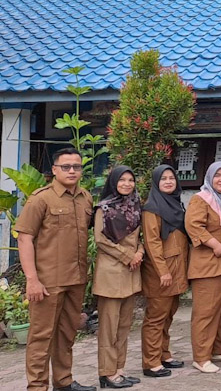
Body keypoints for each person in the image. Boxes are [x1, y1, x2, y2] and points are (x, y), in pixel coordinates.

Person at [14, 147, 97, 391]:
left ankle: (64, 382)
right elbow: (24, 238)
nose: (72, 171)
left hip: (76, 279)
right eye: (66, 167)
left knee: (67, 334)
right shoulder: (41, 199)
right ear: (54, 170)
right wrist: (32, 280)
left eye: (76, 167)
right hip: (47, 281)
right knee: (41, 337)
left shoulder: (85, 197)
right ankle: (37, 386)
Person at [185, 161, 221, 373]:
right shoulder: (201, 199)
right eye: (217, 175)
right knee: (206, 312)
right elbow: (193, 225)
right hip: (209, 264)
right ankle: (201, 357)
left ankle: (219, 348)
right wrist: (214, 244)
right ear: (209, 178)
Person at [93, 166, 144, 388]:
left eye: (130, 180)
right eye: (122, 180)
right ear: (114, 182)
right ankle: (107, 373)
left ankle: (119, 369)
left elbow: (140, 237)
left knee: (124, 325)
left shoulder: (135, 206)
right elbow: (101, 240)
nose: (126, 184)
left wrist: (139, 252)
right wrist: (128, 256)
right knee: (109, 327)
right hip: (111, 273)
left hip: (131, 273)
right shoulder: (103, 209)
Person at [140, 165, 189, 378]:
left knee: (168, 314)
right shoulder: (152, 208)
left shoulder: (175, 203)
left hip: (177, 268)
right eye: (163, 179)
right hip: (161, 273)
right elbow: (152, 243)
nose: (168, 182)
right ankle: (151, 362)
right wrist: (163, 271)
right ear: (156, 183)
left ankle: (164, 354)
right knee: (156, 317)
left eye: (171, 178)